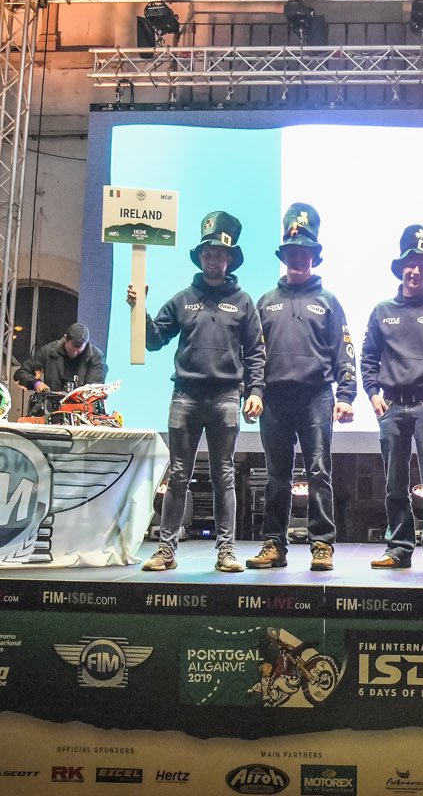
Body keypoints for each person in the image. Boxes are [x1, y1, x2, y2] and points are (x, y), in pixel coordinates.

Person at [127, 211, 265, 574]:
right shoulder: (182, 299)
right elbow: (153, 340)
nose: (212, 258)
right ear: (200, 257)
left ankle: (226, 551)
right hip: (185, 396)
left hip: (226, 397)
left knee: (224, 476)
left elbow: (256, 353)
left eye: (219, 253)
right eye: (207, 252)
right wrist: (139, 309)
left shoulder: (244, 302)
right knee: (177, 475)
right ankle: (166, 550)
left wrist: (255, 391)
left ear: (229, 258)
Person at [247, 203, 357, 573]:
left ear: (313, 257)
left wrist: (346, 395)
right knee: (276, 476)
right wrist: (254, 390)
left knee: (319, 472)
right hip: (274, 399)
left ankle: (322, 545)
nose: (298, 258)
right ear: (284, 256)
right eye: (292, 253)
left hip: (316, 397)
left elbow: (344, 348)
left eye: (304, 253)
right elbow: (253, 354)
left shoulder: (329, 301)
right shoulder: (265, 302)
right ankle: (273, 545)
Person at [360, 224, 423, 572]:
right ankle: (399, 548)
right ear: (400, 267)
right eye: (409, 263)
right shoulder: (382, 310)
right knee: (394, 483)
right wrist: (372, 393)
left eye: (421, 264)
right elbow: (368, 356)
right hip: (390, 405)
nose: (415, 270)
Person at [14, 323, 107, 397]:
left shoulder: (96, 357)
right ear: (65, 338)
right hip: (52, 407)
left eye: (78, 351)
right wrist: (36, 384)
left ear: (86, 343)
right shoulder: (49, 351)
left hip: (83, 409)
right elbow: (21, 373)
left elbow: (95, 389)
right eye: (71, 349)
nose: (74, 354)